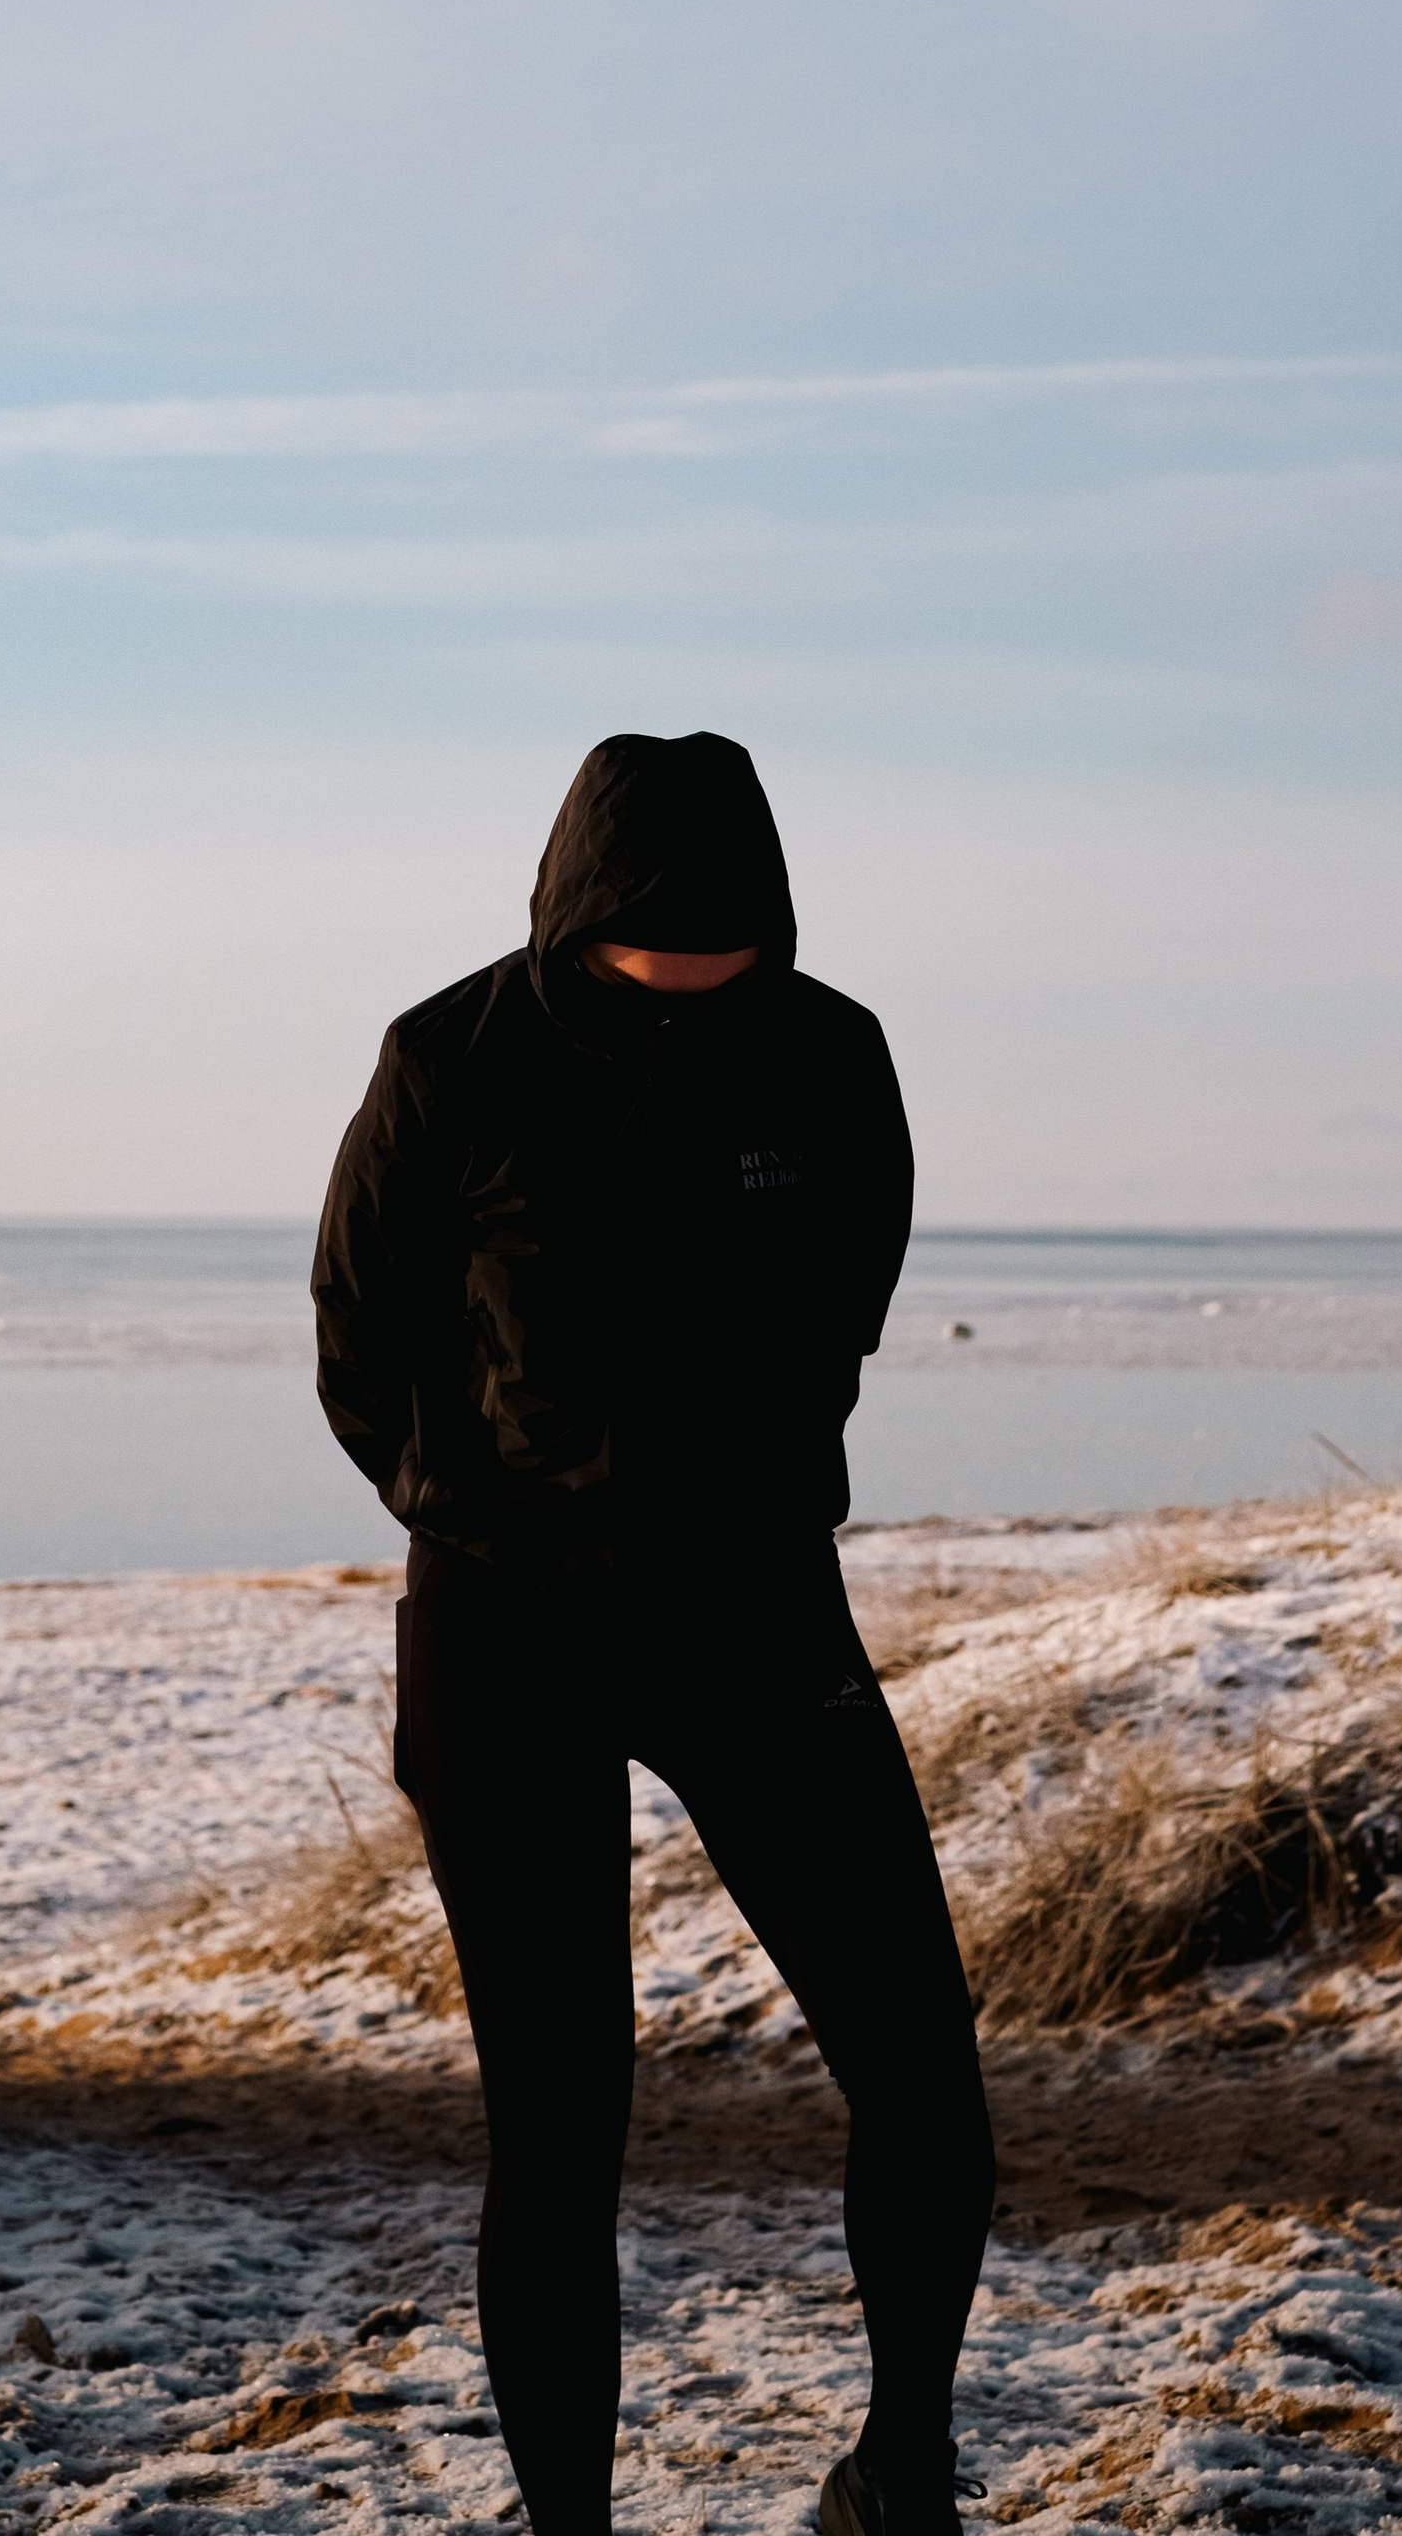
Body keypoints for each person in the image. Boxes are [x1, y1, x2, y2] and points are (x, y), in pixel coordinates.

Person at [313, 731, 992, 2536]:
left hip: (758, 1606)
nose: (689, 999)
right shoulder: (446, 1060)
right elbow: (357, 1342)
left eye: (726, 970)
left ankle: (900, 2470)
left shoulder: (835, 1054)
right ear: (573, 929)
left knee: (924, 2067)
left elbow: (852, 1296)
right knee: (562, 2127)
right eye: (644, 973)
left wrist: (738, 1482)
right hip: (510, 1628)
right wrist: (485, 1511)